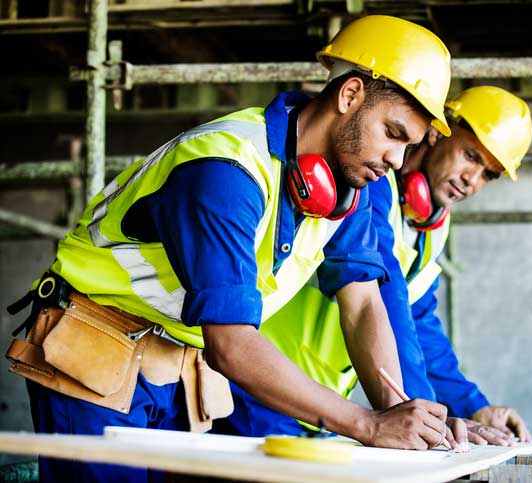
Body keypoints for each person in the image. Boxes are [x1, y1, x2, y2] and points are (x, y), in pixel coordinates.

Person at [5, 15, 463, 482]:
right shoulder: (225, 169)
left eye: (409, 146)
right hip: (96, 351)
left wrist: (410, 423)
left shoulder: (349, 190)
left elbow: (364, 303)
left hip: (178, 371)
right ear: (349, 95)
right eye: (393, 133)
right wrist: (367, 424)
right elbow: (232, 344)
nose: (397, 162)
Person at [217, 86, 532, 446]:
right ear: (437, 131)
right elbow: (387, 300)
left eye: (488, 175)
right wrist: (424, 416)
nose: (471, 179)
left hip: (320, 403)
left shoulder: (432, 225)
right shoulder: (370, 186)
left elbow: (419, 320)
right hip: (262, 380)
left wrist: (473, 407)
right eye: (471, 156)